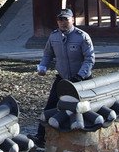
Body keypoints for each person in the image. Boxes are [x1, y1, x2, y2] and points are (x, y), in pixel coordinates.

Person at [35, 8, 94, 139]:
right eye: (60, 20)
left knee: (87, 108)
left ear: (72, 20)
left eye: (65, 19)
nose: (62, 23)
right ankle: (41, 136)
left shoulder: (82, 37)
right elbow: (47, 54)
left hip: (81, 79)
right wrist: (43, 67)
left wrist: (80, 75)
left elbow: (89, 58)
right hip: (62, 79)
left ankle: (89, 136)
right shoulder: (54, 36)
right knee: (51, 105)